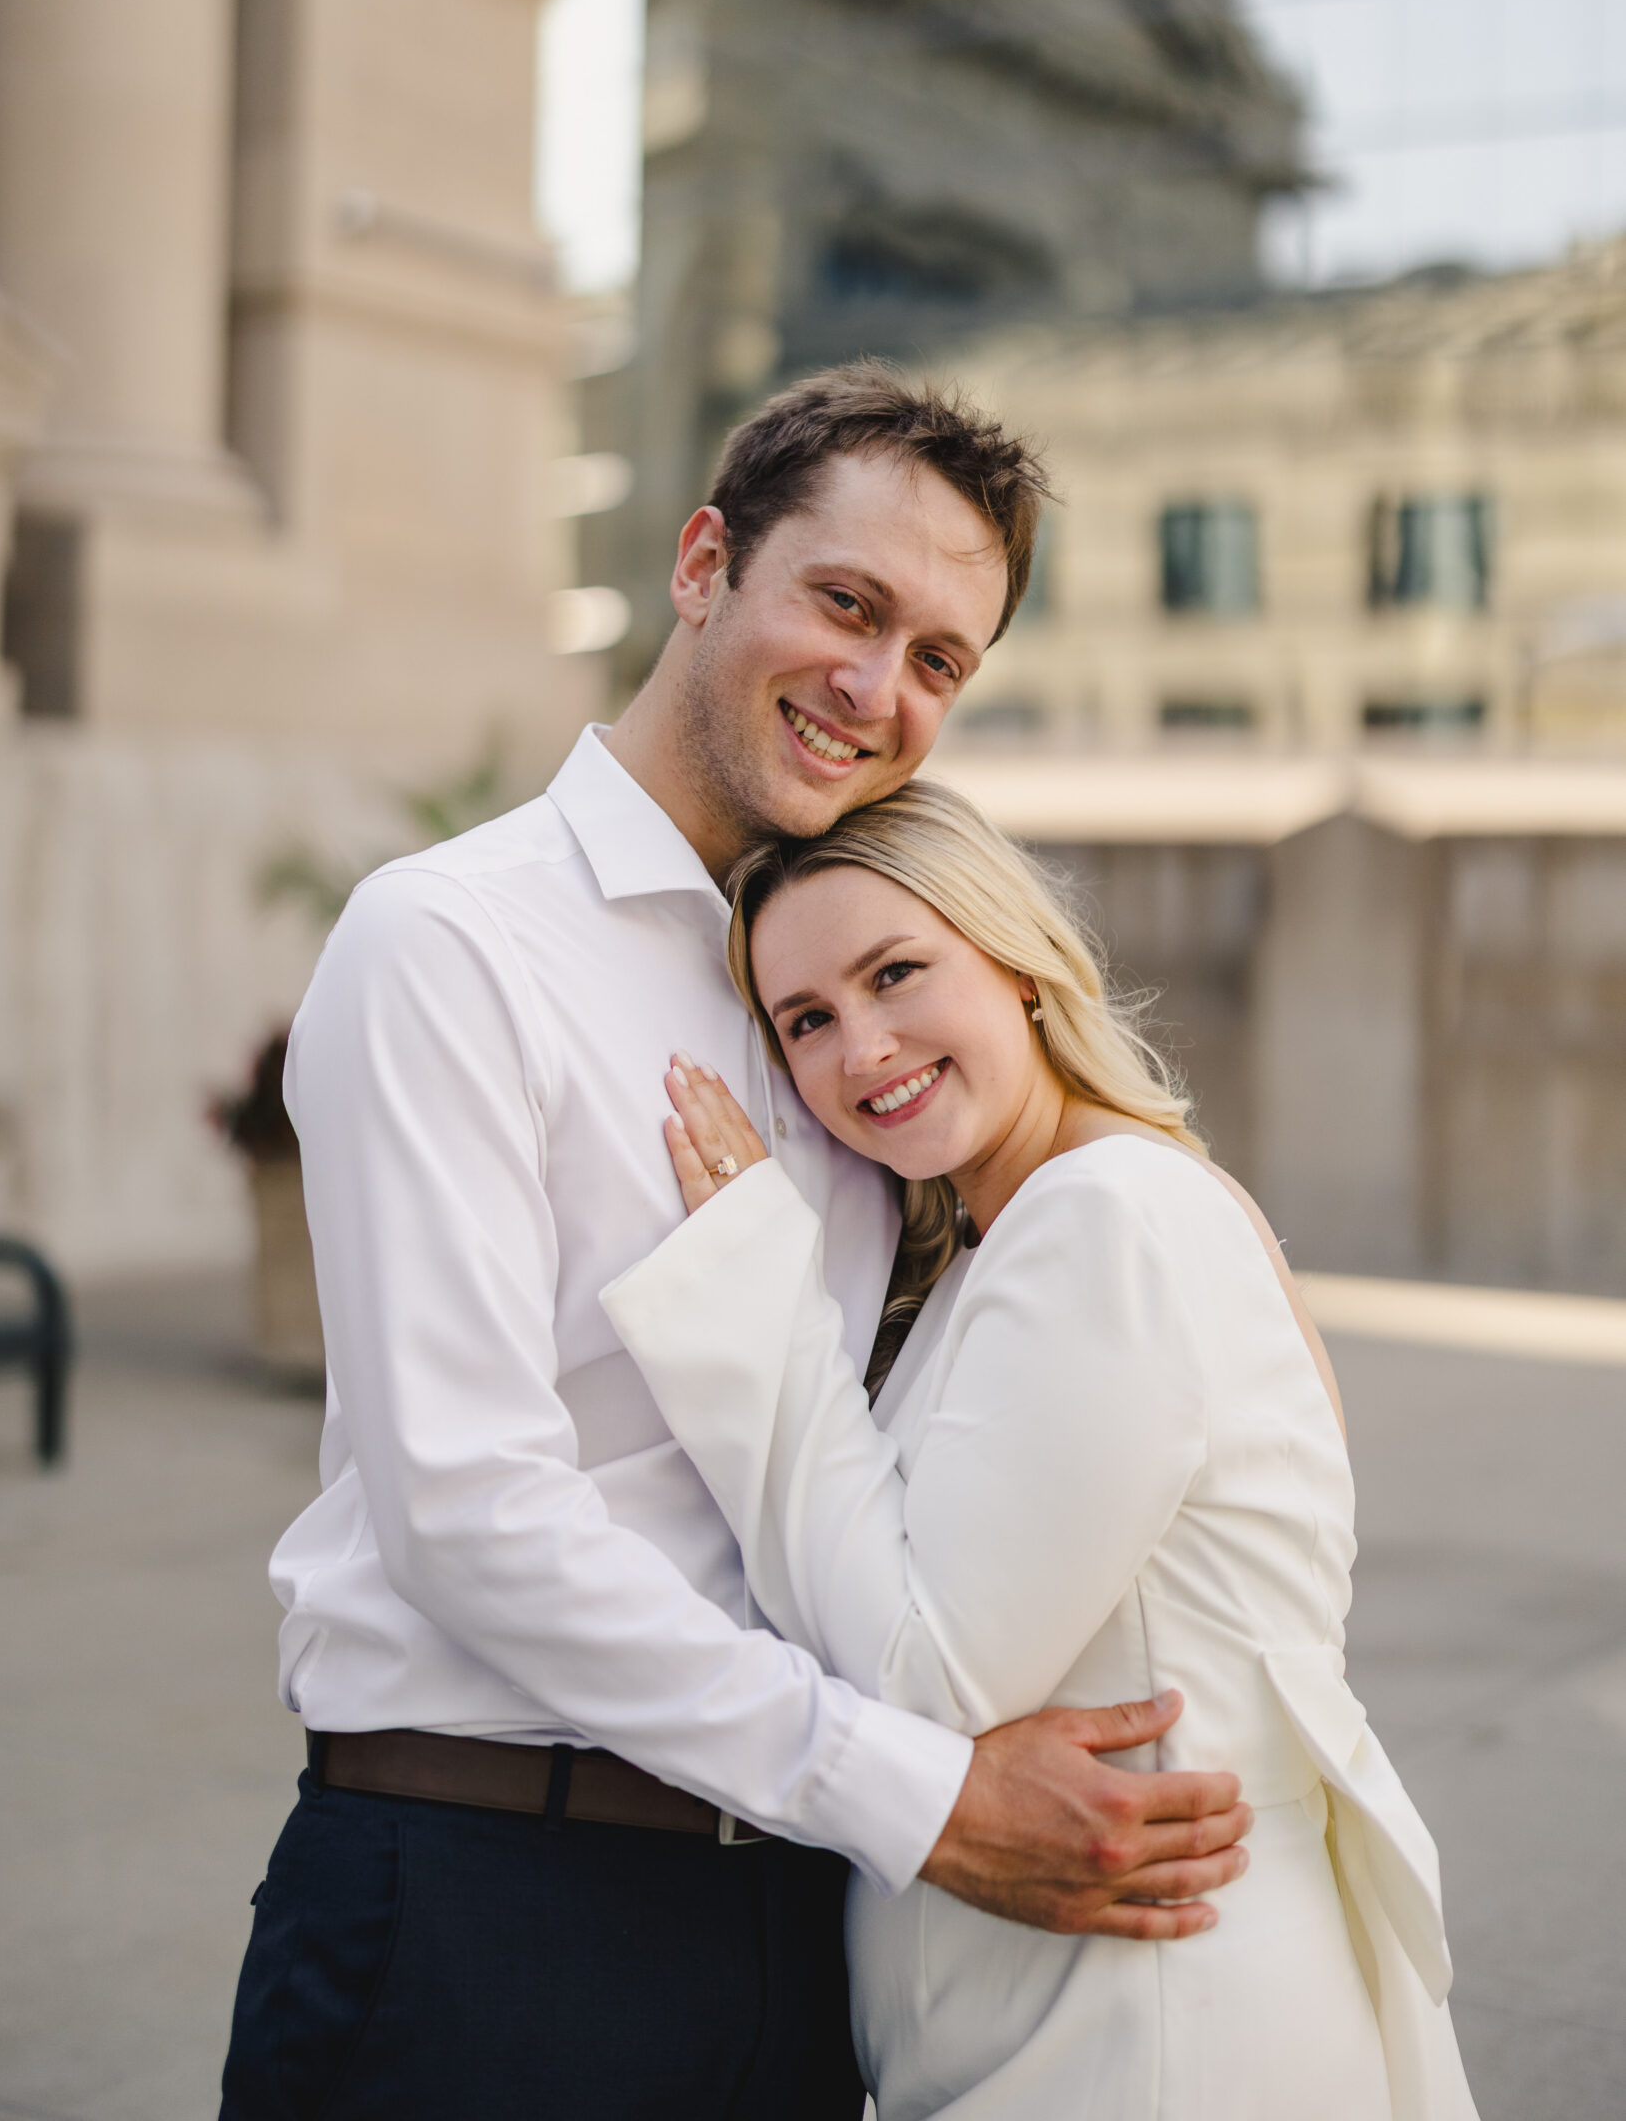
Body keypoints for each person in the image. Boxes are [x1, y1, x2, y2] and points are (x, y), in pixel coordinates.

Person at [219, 366, 1253, 2121]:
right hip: (490, 1900)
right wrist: (920, 1795)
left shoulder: (863, 1002)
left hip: (795, 1926)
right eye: (846, 603)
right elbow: (472, 1510)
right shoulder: (453, 944)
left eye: (940, 659)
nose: (878, 688)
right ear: (704, 564)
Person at [603, 780, 1480, 2121]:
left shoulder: (1104, 1217)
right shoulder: (1032, 1230)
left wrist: (751, 1295)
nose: (864, 1048)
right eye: (808, 1022)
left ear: (1015, 961)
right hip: (1090, 2019)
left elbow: (921, 1672)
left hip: (1154, 2036)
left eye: (897, 973)